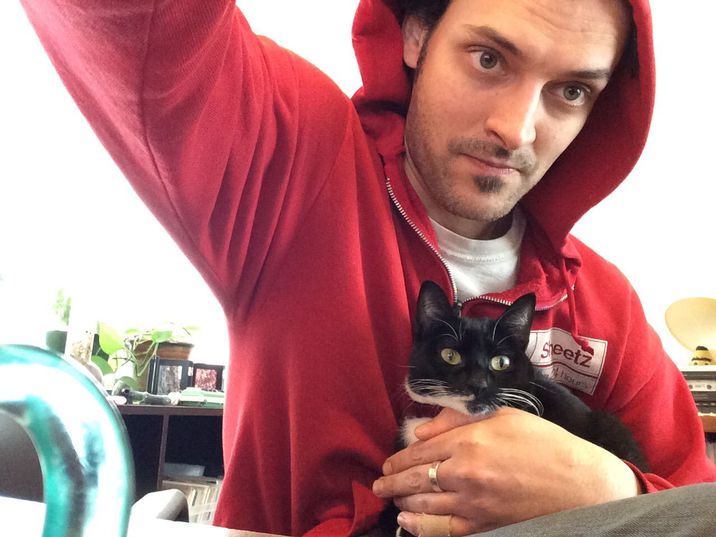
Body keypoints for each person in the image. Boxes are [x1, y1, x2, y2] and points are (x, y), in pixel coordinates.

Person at [20, 0, 716, 536]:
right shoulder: (294, 163)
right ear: (416, 35)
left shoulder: (605, 303)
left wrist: (609, 490)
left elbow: (693, 500)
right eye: (488, 59)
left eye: (570, 91)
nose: (517, 129)